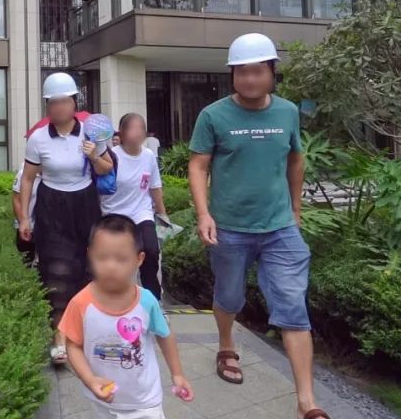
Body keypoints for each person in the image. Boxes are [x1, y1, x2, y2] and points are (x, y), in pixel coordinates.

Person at [187, 33, 328, 419]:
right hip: (230, 228)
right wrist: (204, 214)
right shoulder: (213, 115)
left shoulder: (287, 112)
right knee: (230, 297)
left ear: (271, 73)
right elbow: (198, 166)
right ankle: (226, 344)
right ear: (233, 74)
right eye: (242, 72)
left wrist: (295, 209)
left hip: (280, 228)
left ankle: (307, 403)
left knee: (293, 308)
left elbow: (295, 159)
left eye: (257, 71)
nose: (249, 79)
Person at [20, 72, 114, 365]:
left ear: (75, 102)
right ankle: (59, 339)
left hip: (84, 205)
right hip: (51, 206)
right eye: (53, 102)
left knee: (89, 268)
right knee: (56, 272)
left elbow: (107, 169)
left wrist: (94, 156)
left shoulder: (91, 132)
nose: (58, 107)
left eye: (64, 101)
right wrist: (24, 218)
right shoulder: (38, 138)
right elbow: (27, 179)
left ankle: (87, 333)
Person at [59, 215, 193, 418]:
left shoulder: (146, 301)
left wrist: (177, 373)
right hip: (102, 398)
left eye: (121, 259)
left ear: (139, 259)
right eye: (102, 258)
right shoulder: (81, 303)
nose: (111, 266)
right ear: (89, 255)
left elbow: (165, 335)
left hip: (145, 401)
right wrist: (89, 379)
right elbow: (73, 345)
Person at [100, 113, 167, 301]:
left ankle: (153, 300)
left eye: (141, 128)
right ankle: (116, 298)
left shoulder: (148, 156)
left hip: (141, 213)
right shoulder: (112, 157)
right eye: (132, 128)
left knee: (151, 251)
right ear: (121, 133)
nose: (138, 132)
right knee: (118, 259)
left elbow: (155, 187)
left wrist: (162, 214)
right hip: (114, 214)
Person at [12, 160, 39, 265]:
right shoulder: (24, 171)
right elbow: (16, 200)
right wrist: (23, 221)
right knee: (27, 261)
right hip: (27, 224)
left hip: (47, 226)